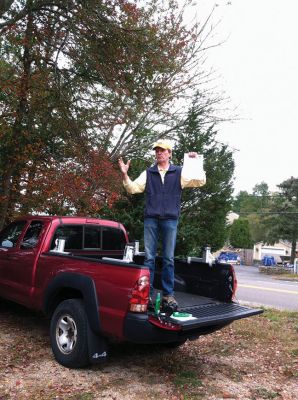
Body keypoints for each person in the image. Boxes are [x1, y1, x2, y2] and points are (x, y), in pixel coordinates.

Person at [118, 139, 206, 309]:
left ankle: (168, 295)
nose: (159, 153)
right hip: (151, 219)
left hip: (170, 220)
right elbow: (133, 188)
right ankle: (147, 293)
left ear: (169, 154)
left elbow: (200, 181)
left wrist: (196, 162)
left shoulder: (179, 172)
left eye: (162, 150)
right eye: (157, 150)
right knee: (149, 258)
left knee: (168, 259)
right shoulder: (149, 173)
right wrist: (124, 174)